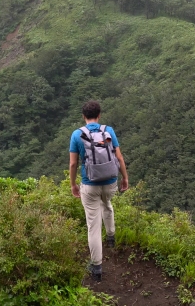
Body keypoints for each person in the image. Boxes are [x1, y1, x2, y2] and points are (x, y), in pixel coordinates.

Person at [69, 100, 129, 282]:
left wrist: (73, 184)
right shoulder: (108, 131)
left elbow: (73, 163)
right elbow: (119, 157)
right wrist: (125, 178)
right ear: (99, 115)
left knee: (93, 226)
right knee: (107, 204)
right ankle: (111, 236)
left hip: (89, 184)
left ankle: (97, 267)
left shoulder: (77, 135)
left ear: (83, 116)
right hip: (110, 181)